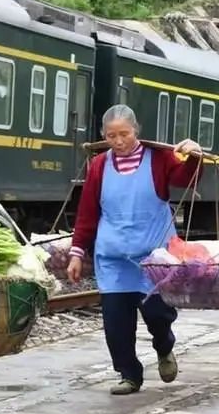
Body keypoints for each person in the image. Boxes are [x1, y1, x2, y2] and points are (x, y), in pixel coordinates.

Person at [66, 105, 203, 396]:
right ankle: (129, 374)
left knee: (157, 313)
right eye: (111, 135)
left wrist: (194, 157)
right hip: (113, 258)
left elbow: (185, 179)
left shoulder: (159, 158)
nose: (118, 141)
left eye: (124, 134)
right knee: (116, 322)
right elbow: (88, 212)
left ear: (136, 130)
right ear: (104, 136)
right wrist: (77, 252)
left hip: (154, 258)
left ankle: (164, 346)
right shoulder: (100, 166)